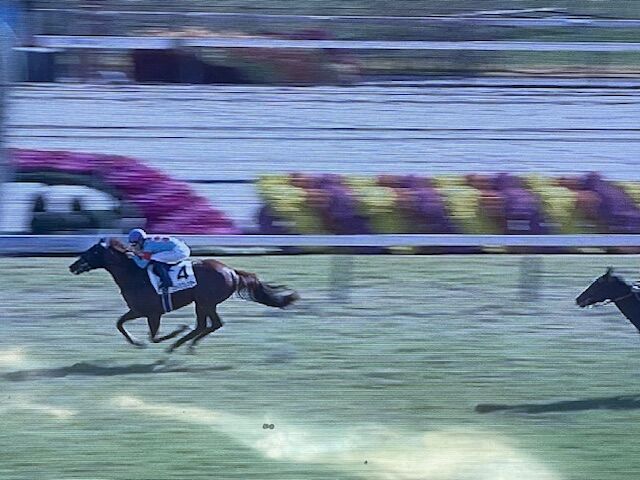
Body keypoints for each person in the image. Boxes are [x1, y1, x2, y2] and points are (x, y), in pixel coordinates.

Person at [127, 228, 191, 292]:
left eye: (134, 244)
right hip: (180, 247)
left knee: (154, 257)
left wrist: (134, 256)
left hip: (180, 251)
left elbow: (142, 265)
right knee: (155, 257)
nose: (134, 247)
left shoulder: (148, 247)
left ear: (140, 241)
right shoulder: (147, 241)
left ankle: (167, 282)